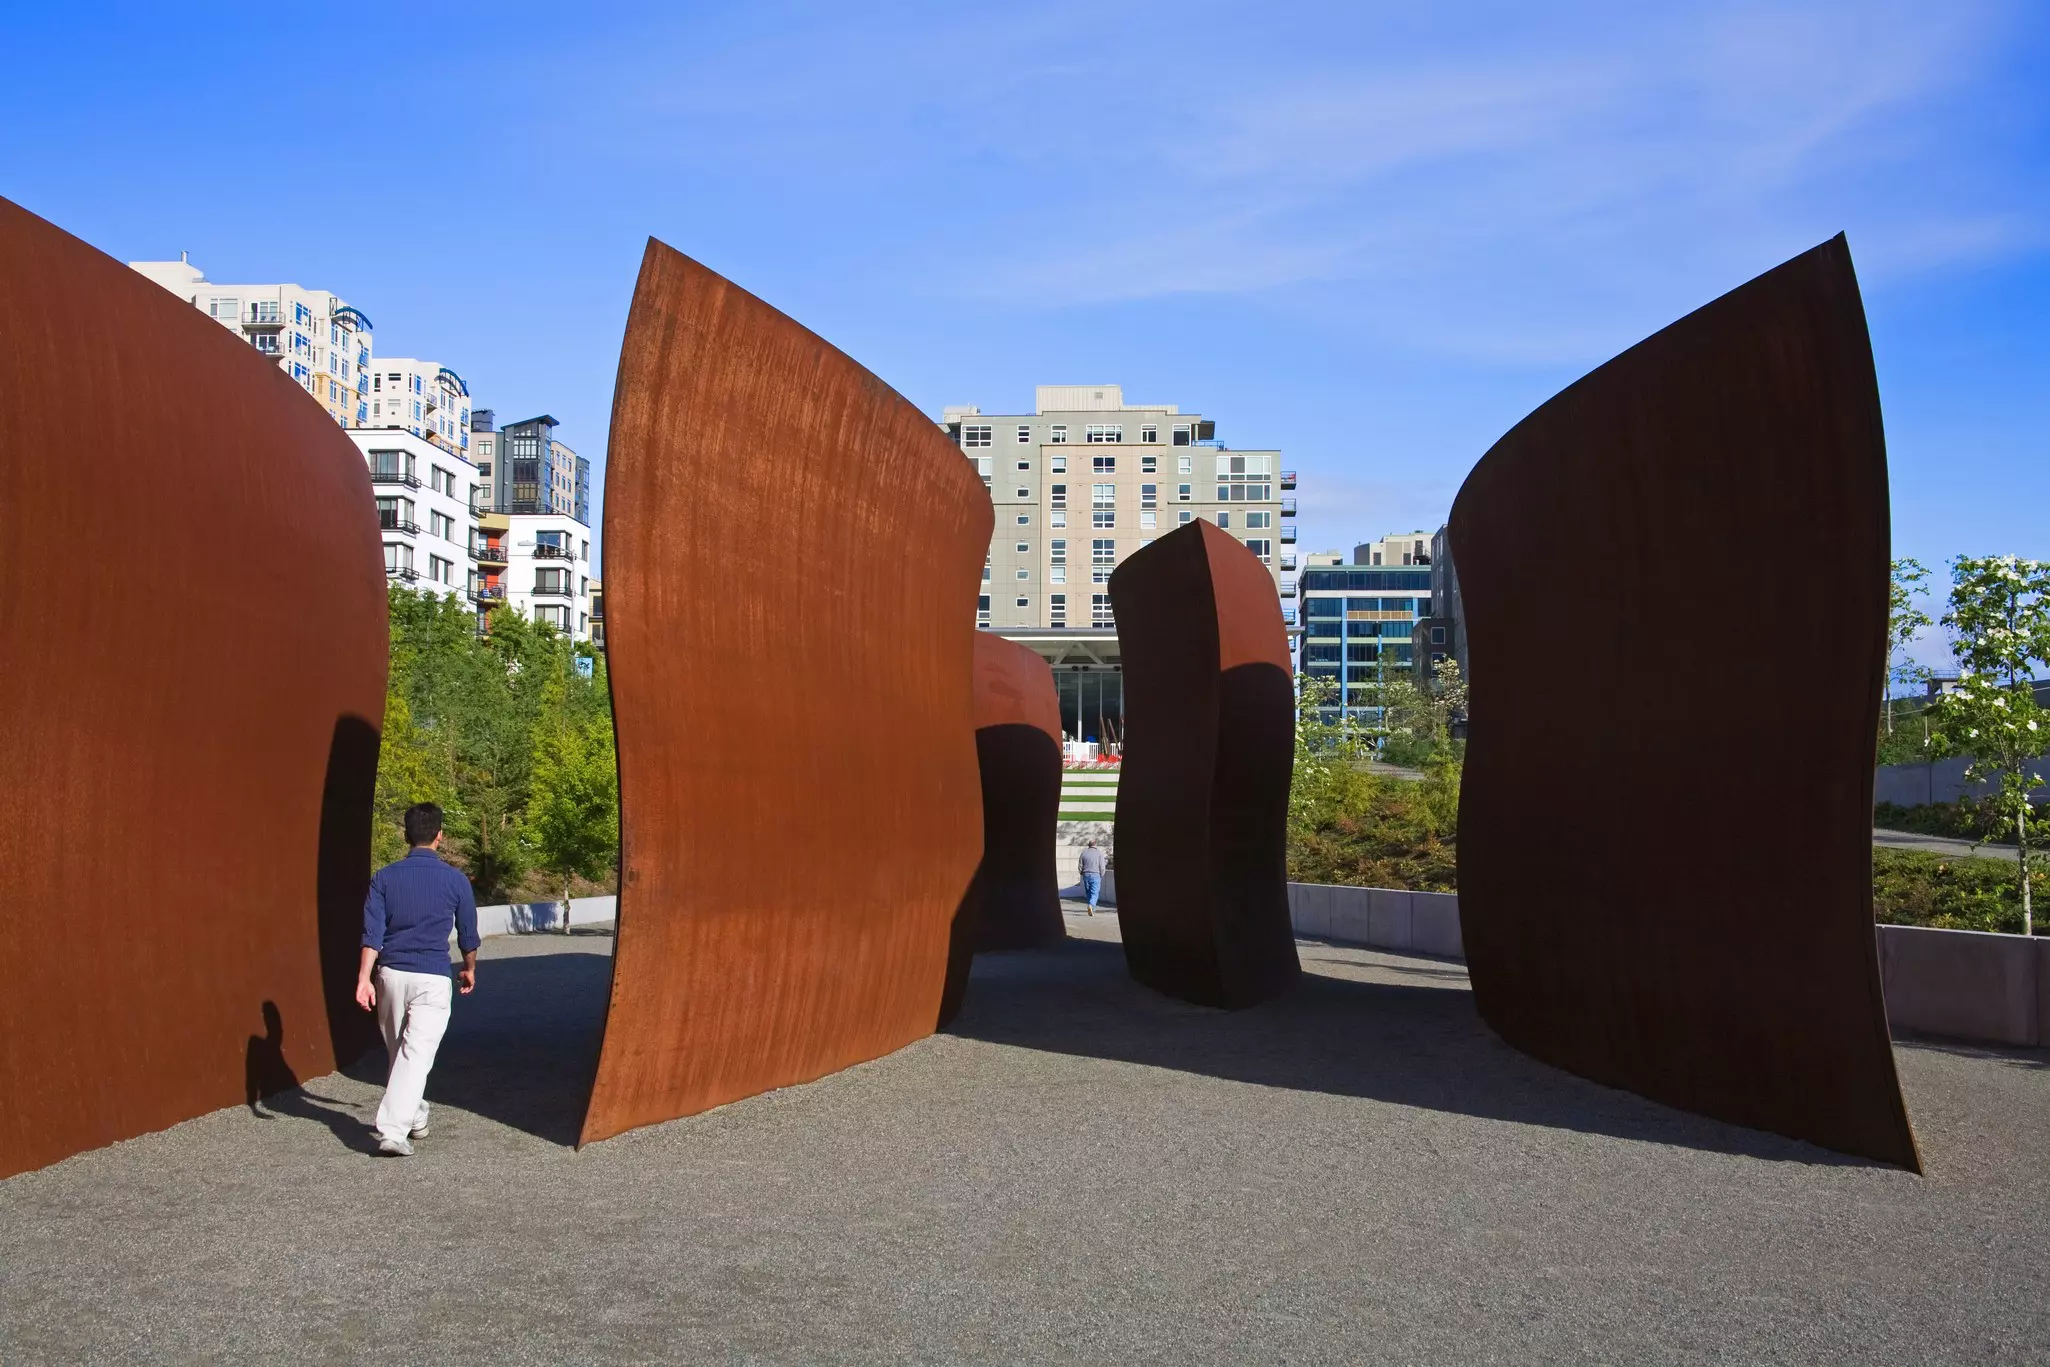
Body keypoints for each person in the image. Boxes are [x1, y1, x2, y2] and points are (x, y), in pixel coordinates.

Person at [355, 802, 479, 1157]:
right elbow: (468, 935)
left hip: (390, 976)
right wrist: (469, 967)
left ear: (405, 836)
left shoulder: (384, 878)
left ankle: (405, 1120)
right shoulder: (456, 880)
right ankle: (399, 1128)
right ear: (440, 836)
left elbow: (371, 934)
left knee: (406, 1055)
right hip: (433, 978)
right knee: (411, 1055)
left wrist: (364, 978)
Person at [1077, 840, 1107, 916]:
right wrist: (1101, 874)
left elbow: (1080, 865)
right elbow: (1102, 866)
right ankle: (1091, 905)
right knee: (1094, 892)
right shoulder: (1099, 853)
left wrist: (1081, 873)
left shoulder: (1084, 853)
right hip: (1095, 874)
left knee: (1088, 892)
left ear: (1089, 845)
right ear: (1095, 845)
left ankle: (1092, 908)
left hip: (1086, 875)